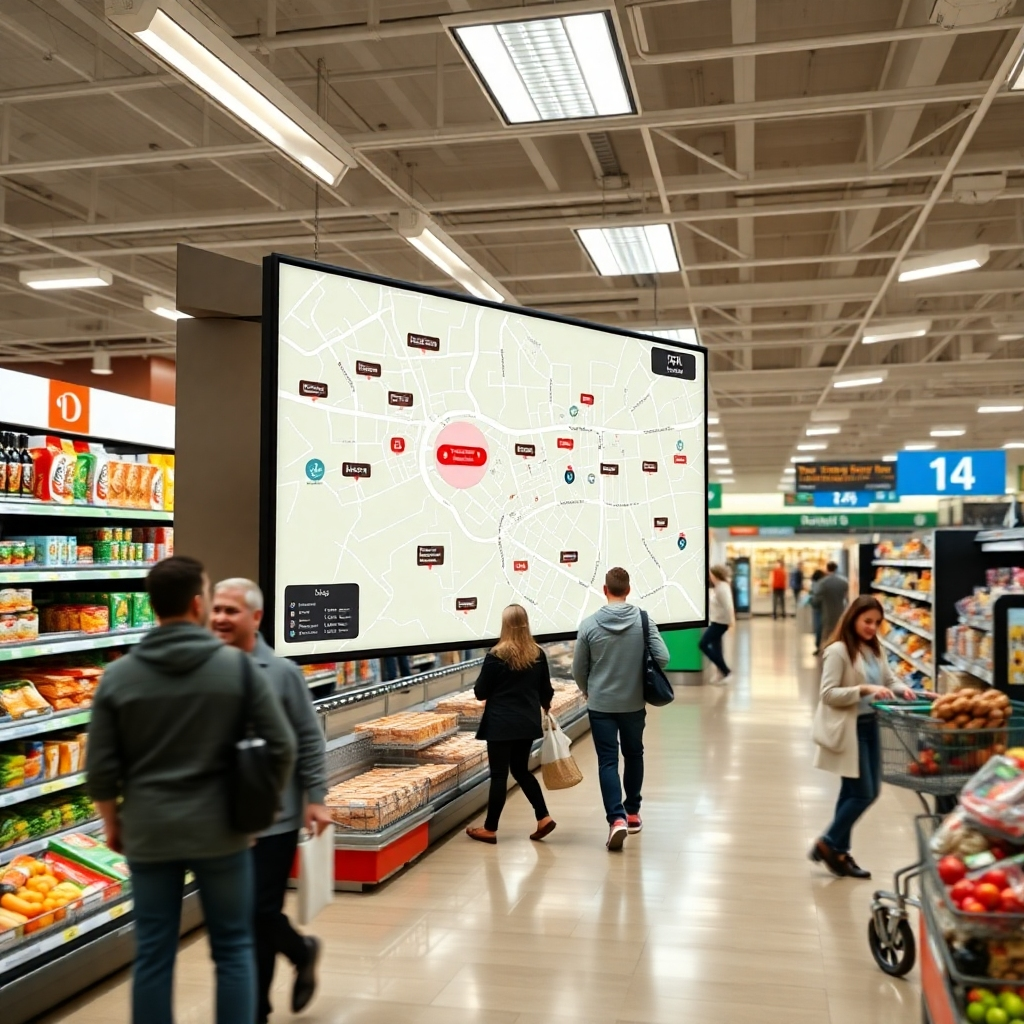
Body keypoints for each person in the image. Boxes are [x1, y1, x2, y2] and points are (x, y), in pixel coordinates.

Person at [85, 557, 296, 1024]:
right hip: (223, 829)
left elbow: (99, 768)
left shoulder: (118, 676)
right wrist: (257, 814)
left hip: (149, 829)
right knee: (234, 948)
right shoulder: (238, 670)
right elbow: (282, 746)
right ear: (198, 603)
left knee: (154, 951)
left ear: (152, 605)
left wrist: (112, 822)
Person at [212, 578, 331, 1024]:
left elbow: (308, 739)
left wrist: (316, 797)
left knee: (258, 912)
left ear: (256, 618)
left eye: (232, 611)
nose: (221, 618)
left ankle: (255, 1010)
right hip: (221, 822)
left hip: (275, 817)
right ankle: (301, 949)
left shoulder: (282, 673)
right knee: (240, 917)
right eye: (217, 609)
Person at [809, 595, 923, 879]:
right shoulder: (838, 651)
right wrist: (862, 689)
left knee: (852, 792)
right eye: (867, 621)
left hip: (871, 725)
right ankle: (828, 842)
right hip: (850, 730)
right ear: (853, 618)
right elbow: (828, 694)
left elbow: (887, 679)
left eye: (877, 623)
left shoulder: (875, 648)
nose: (872, 627)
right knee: (865, 793)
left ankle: (839, 853)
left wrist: (902, 689)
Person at [573, 567, 669, 851]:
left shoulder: (589, 625)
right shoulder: (643, 620)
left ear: (605, 590)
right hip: (633, 703)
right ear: (628, 590)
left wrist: (590, 690)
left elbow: (578, 670)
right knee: (634, 754)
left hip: (601, 704)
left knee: (607, 761)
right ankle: (633, 812)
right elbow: (663, 657)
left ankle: (616, 819)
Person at [466, 604, 556, 844]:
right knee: (521, 771)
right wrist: (545, 705)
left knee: (499, 775)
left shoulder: (496, 655)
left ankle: (490, 829)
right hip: (526, 721)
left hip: (500, 723)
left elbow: (480, 692)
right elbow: (546, 689)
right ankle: (543, 817)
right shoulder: (537, 653)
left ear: (505, 625)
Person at [699, 564, 734, 684]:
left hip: (720, 623)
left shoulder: (722, 588)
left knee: (703, 644)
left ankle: (726, 671)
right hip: (716, 620)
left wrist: (732, 622)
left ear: (715, 575)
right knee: (717, 649)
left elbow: (728, 606)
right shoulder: (718, 586)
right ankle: (721, 673)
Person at [814, 560, 850, 650]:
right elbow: (847, 597)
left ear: (827, 568)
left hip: (827, 612)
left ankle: (825, 650)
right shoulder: (843, 582)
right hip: (840, 611)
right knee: (839, 632)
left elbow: (816, 599)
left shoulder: (823, 583)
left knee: (826, 633)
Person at [809, 568, 826, 653]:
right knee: (822, 627)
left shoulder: (814, 585)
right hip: (823, 608)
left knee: (818, 627)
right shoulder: (822, 584)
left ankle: (818, 645)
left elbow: (814, 598)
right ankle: (822, 645)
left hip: (817, 609)